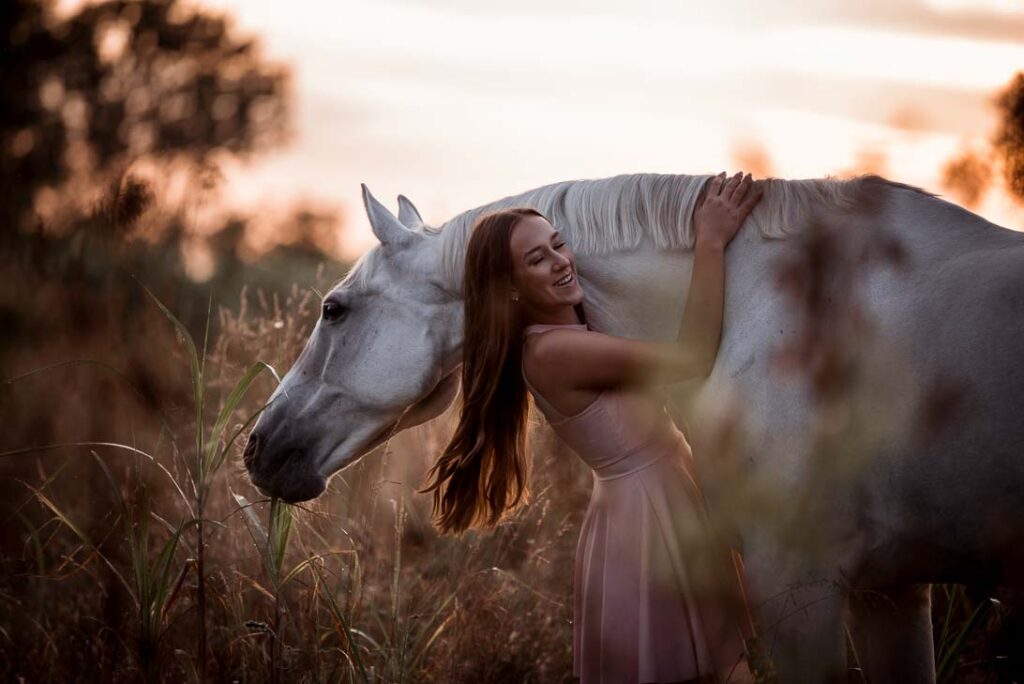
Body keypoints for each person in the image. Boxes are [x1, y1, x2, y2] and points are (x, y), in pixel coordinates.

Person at [419, 171, 763, 683]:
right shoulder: (555, 351)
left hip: (660, 499)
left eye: (558, 245)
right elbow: (690, 357)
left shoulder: (572, 333)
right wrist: (708, 241)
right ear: (510, 290)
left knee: (724, 665)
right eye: (537, 260)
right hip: (646, 516)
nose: (560, 261)